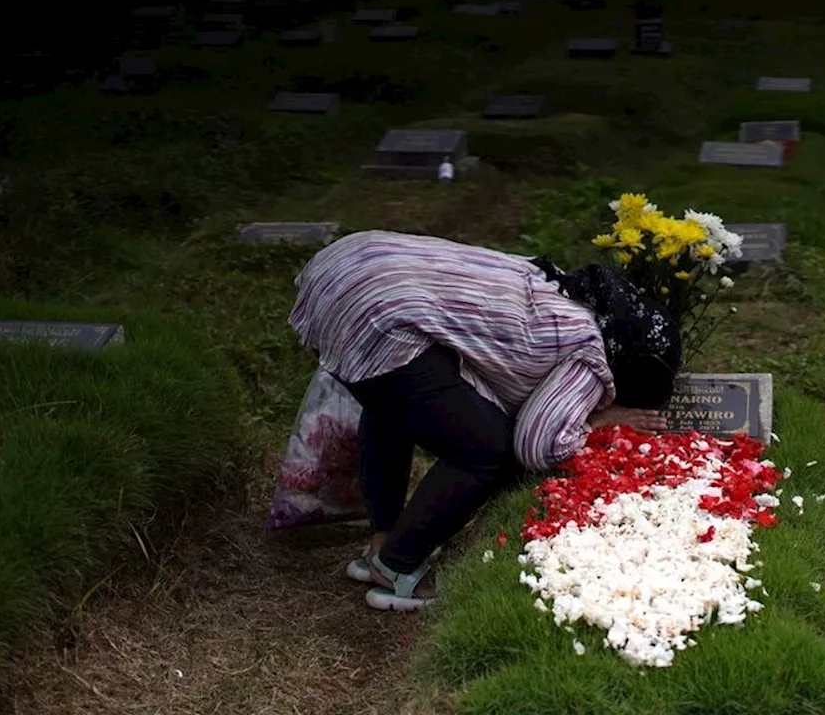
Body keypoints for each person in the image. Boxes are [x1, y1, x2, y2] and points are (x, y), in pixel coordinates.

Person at [288, 230, 682, 611]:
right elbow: (536, 443)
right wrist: (601, 420)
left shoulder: (563, 289)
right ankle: (398, 566)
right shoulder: (590, 350)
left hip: (344, 267)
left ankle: (384, 540)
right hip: (379, 308)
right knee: (483, 448)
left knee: (390, 406)